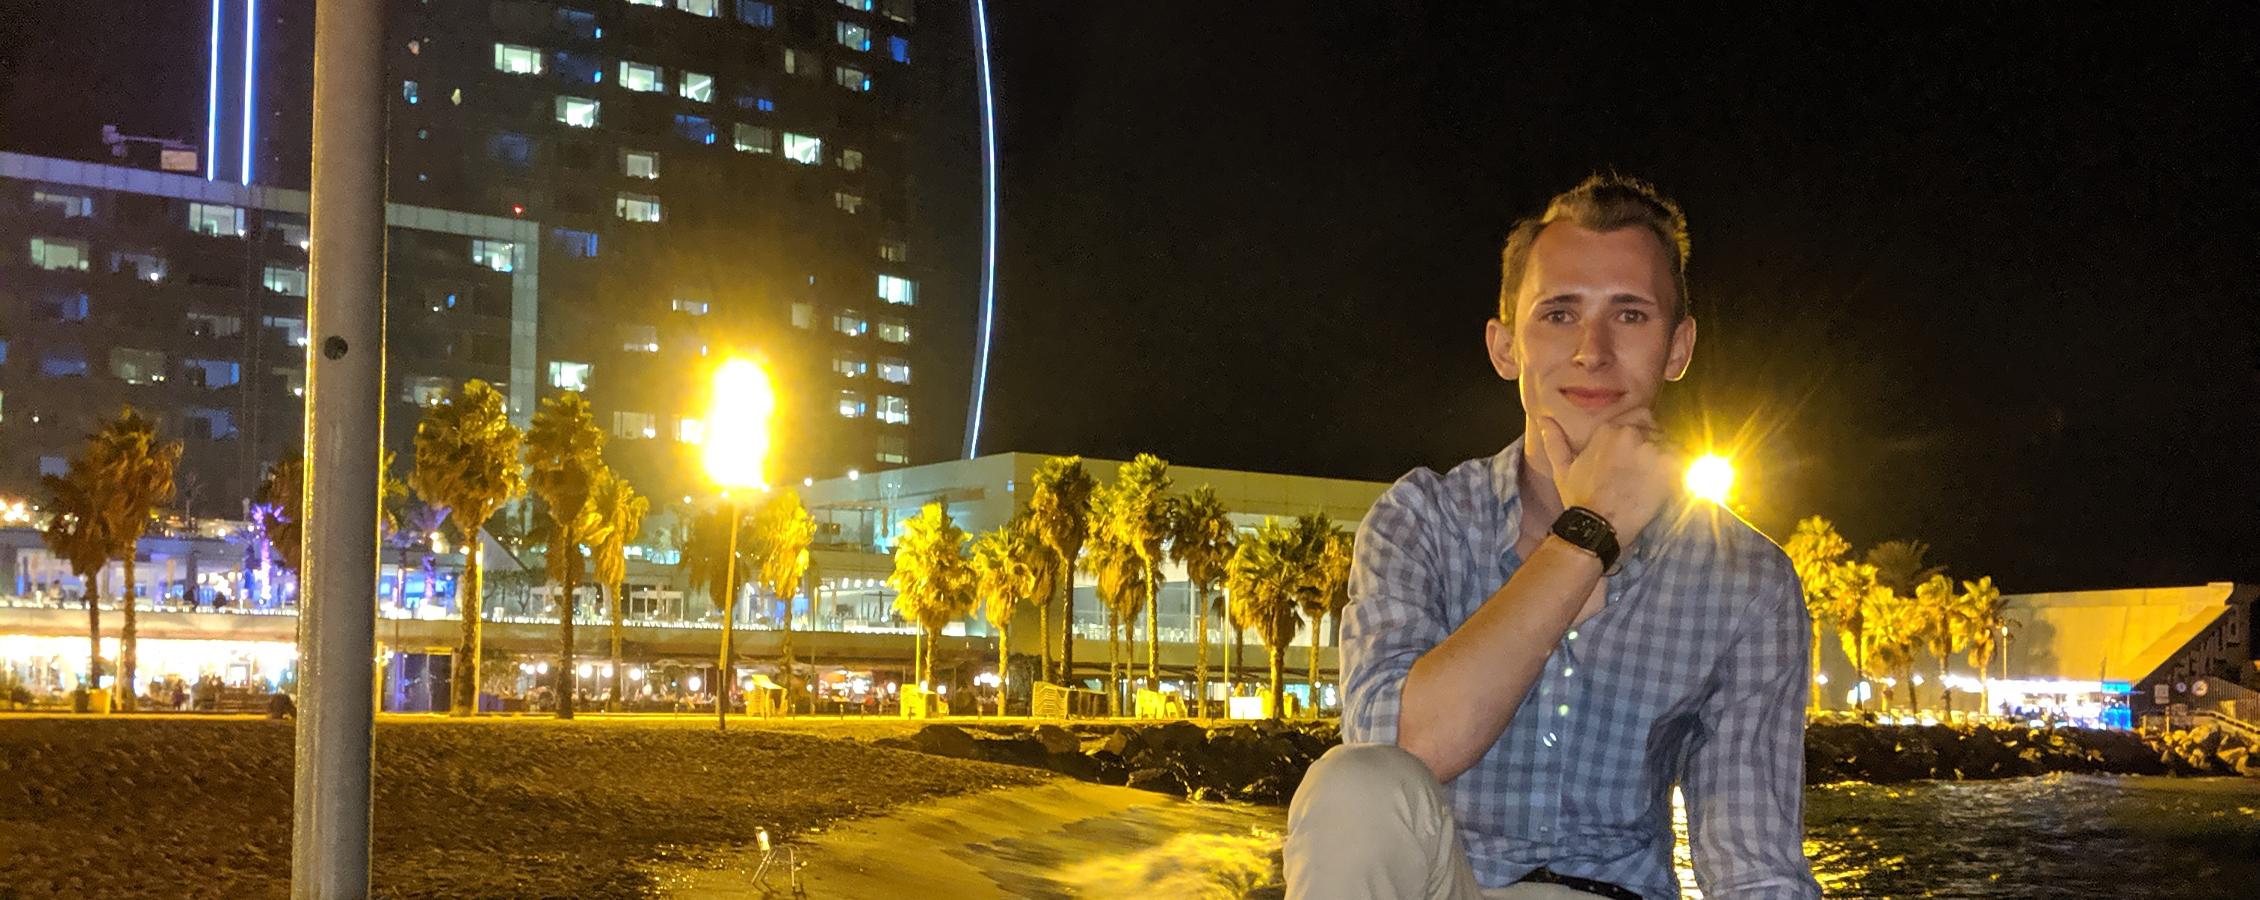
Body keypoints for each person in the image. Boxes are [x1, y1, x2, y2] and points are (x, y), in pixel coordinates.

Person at [1286, 175, 1821, 899]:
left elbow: (1754, 863)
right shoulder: (1423, 519)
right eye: (1560, 314)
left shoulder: (1748, 578)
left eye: (1630, 315)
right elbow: (1400, 749)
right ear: (1505, 346)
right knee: (1353, 785)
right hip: (1444, 882)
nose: (1592, 351)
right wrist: (1585, 537)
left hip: (1612, 895)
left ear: (1678, 346)